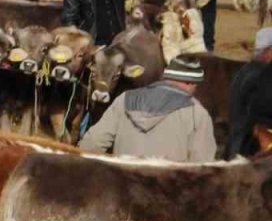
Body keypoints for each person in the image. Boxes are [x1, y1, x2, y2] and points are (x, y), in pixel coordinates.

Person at [79, 56, 216, 162]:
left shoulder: (125, 99)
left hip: (123, 187)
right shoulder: (196, 112)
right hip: (167, 192)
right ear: (190, 83)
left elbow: (91, 144)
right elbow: (203, 165)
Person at [227, 28, 272, 158]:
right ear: (268, 50)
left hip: (237, 140)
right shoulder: (262, 76)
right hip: (250, 146)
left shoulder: (246, 70)